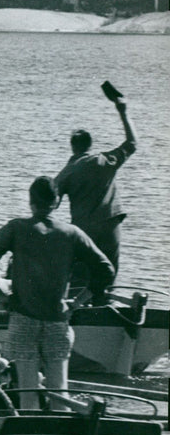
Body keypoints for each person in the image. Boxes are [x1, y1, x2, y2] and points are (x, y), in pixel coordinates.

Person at [0, 176, 115, 410]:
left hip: (23, 316)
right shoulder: (72, 233)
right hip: (58, 319)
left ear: (31, 202)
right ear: (57, 202)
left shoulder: (17, 228)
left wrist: (0, 296)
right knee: (59, 392)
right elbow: (105, 270)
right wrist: (78, 302)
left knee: (28, 392)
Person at [54, 93, 137, 305]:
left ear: (73, 146)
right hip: (110, 228)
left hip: (84, 232)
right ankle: (104, 315)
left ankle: (77, 316)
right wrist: (123, 111)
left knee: (80, 280)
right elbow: (132, 143)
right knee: (107, 277)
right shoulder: (104, 160)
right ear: (90, 145)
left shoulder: (67, 172)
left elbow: (51, 202)